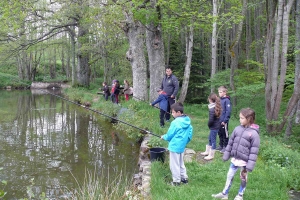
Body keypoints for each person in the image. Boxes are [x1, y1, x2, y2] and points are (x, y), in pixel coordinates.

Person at [212, 108, 260, 200]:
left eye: (242, 118)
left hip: (245, 162)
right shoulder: (237, 129)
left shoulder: (254, 134)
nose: (240, 119)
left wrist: (250, 165)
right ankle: (224, 193)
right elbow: (230, 143)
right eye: (240, 118)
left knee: (243, 178)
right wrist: (226, 154)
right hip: (235, 159)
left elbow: (254, 151)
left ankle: (240, 195)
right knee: (229, 175)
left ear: (249, 119)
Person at [160, 102, 193, 186]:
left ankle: (176, 182)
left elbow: (170, 135)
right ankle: (184, 178)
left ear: (178, 113)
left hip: (174, 146)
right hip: (182, 146)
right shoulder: (187, 121)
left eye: (173, 112)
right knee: (181, 163)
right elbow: (189, 134)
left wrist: (164, 137)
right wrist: (185, 142)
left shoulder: (175, 123)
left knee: (174, 165)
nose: (172, 114)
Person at [201, 93, 222, 160]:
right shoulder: (216, 106)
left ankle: (211, 155)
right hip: (215, 126)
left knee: (213, 140)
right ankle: (207, 152)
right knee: (210, 138)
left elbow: (211, 120)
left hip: (214, 127)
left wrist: (209, 125)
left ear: (210, 99)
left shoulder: (212, 108)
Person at [216, 86, 231, 153]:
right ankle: (221, 145)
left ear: (225, 92)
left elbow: (228, 111)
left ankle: (226, 146)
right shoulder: (219, 100)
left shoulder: (227, 100)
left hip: (223, 121)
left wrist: (225, 121)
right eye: (219, 92)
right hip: (218, 120)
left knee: (225, 134)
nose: (219, 93)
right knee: (220, 133)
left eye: (220, 92)